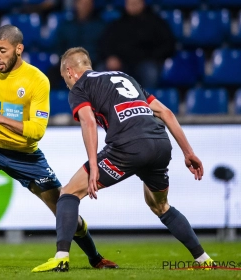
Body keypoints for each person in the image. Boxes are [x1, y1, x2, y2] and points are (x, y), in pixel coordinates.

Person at [0, 25, 118, 270]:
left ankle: (95, 257)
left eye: (2, 50)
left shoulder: (37, 80)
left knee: (63, 210)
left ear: (18, 49)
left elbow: (37, 130)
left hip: (25, 155)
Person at [32, 47, 215, 272]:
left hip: (128, 147)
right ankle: (204, 259)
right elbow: (166, 112)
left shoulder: (80, 86)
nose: (67, 84)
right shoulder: (124, 77)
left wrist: (93, 165)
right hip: (160, 144)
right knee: (160, 206)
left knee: (69, 192)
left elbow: (88, 122)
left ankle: (61, 256)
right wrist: (188, 152)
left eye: (65, 79)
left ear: (70, 72)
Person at [98, 0, 175, 88]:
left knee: (150, 72)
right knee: (101, 70)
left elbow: (168, 44)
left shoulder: (156, 22)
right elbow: (105, 43)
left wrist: (152, 57)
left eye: (136, 3)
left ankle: (147, 101)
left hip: (145, 62)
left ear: (142, 3)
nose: (133, 6)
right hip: (122, 63)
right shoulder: (117, 24)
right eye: (130, 3)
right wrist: (110, 57)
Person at [47, 0, 105, 89]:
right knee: (50, 75)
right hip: (69, 63)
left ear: (92, 6)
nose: (84, 6)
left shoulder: (100, 25)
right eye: (82, 4)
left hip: (92, 63)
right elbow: (59, 47)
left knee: (101, 73)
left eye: (87, 4)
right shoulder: (66, 25)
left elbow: (102, 48)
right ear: (76, 5)